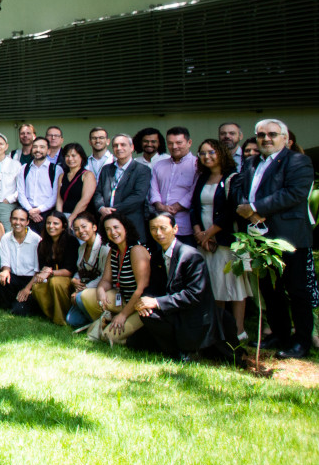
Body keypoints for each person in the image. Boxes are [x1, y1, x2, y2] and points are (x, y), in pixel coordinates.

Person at [234, 118, 315, 359]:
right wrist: (244, 207)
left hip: (289, 238)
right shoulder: (250, 162)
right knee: (271, 290)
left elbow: (294, 193)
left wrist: (256, 208)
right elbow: (239, 188)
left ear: (284, 137)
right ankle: (280, 334)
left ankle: (301, 342)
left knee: (297, 291)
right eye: (261, 135)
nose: (266, 139)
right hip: (258, 238)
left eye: (272, 134)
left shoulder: (298, 161)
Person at [135, 213, 218, 360]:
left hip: (193, 315)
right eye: (153, 229)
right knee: (145, 318)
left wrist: (156, 302)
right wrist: (145, 300)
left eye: (163, 228)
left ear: (175, 229)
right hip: (173, 310)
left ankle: (186, 351)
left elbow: (194, 295)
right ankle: (174, 349)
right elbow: (153, 286)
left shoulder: (191, 256)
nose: (158, 233)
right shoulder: (157, 256)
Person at [190, 138, 249, 338]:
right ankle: (219, 330)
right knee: (214, 286)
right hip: (204, 240)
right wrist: (199, 233)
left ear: (221, 153)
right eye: (203, 153)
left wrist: (209, 233)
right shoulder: (202, 178)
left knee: (233, 286)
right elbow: (194, 207)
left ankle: (239, 331)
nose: (207, 156)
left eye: (211, 152)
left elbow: (232, 211)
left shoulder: (234, 177)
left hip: (225, 239)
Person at [76, 214, 150, 345]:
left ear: (126, 228)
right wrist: (100, 290)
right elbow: (106, 280)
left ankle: (139, 333)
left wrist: (123, 315)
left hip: (139, 304)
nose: (112, 232)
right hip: (122, 298)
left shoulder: (136, 250)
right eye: (108, 229)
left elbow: (141, 289)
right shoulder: (114, 250)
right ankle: (109, 321)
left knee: (109, 336)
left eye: (116, 227)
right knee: (86, 296)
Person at [92, 134, 152, 239]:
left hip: (131, 223)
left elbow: (138, 197)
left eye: (123, 145)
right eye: (115, 145)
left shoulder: (142, 170)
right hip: (107, 224)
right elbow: (98, 192)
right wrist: (101, 208)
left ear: (132, 147)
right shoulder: (106, 169)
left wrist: (111, 211)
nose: (119, 148)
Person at [149, 126, 197, 246]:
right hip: (161, 224)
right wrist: (160, 205)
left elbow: (195, 190)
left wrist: (177, 206)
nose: (174, 147)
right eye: (170, 143)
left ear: (189, 142)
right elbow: (153, 188)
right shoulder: (159, 165)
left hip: (185, 224)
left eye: (179, 143)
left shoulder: (197, 164)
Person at [29, 213, 79, 325]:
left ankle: (61, 319)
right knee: (37, 287)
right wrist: (46, 272)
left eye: (55, 223)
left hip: (67, 278)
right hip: (50, 276)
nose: (51, 226)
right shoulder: (43, 244)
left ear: (64, 226)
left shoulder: (71, 242)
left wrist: (49, 272)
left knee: (56, 283)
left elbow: (69, 270)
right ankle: (52, 315)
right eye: (48, 223)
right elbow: (43, 268)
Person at [65, 211, 110, 327]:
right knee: (72, 320)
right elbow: (80, 270)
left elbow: (105, 276)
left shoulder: (104, 248)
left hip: (100, 289)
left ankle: (101, 324)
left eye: (84, 227)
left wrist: (83, 289)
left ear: (94, 227)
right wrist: (74, 280)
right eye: (76, 229)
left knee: (79, 298)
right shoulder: (82, 248)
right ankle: (92, 320)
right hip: (86, 287)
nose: (80, 231)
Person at [0, 208, 43, 315]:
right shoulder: (5, 238)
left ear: (27, 222)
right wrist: (5, 271)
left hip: (31, 280)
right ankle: (14, 302)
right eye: (15, 219)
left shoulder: (36, 240)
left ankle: (20, 303)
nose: (18, 223)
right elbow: (5, 264)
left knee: (19, 311)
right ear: (10, 220)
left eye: (22, 220)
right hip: (14, 278)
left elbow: (38, 271)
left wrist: (27, 289)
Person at [17, 137, 59, 231]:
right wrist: (30, 211)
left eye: (42, 147)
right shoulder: (24, 168)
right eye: (35, 147)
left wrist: (39, 210)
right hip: (27, 212)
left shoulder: (55, 169)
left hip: (46, 213)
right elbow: (21, 193)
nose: (38, 150)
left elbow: (55, 195)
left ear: (48, 151)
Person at [55, 142, 96, 228]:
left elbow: (85, 200)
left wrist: (71, 219)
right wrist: (60, 218)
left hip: (81, 218)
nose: (70, 159)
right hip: (64, 217)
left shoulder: (87, 175)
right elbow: (59, 199)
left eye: (73, 156)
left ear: (81, 157)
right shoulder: (62, 176)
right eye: (67, 156)